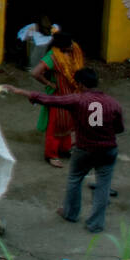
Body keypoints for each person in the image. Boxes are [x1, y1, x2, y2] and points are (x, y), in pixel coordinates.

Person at [0, 69, 125, 233]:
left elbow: (48, 99)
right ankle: (96, 224)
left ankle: (70, 213)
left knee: (75, 179)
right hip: (108, 149)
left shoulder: (77, 99)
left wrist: (19, 90)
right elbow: (119, 129)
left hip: (85, 149)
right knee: (103, 186)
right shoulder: (113, 103)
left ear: (80, 84)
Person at [30, 29, 84, 167]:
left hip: (71, 95)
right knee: (55, 126)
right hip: (58, 97)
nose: (72, 46)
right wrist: (49, 83)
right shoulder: (53, 56)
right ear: (61, 45)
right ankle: (51, 155)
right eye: (69, 44)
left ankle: (64, 149)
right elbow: (35, 73)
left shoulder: (72, 51)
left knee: (68, 124)